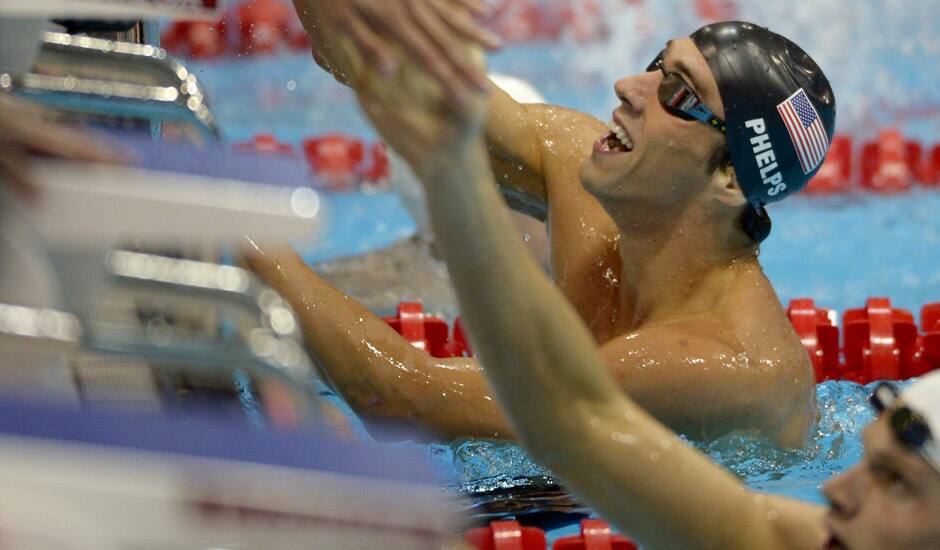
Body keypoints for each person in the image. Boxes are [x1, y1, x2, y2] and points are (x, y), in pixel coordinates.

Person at [247, 0, 833, 447]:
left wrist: (240, 236)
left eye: (678, 93)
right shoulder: (586, 167)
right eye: (658, 65)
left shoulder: (727, 367)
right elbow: (378, 67)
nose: (629, 87)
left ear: (732, 177)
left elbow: (407, 400)